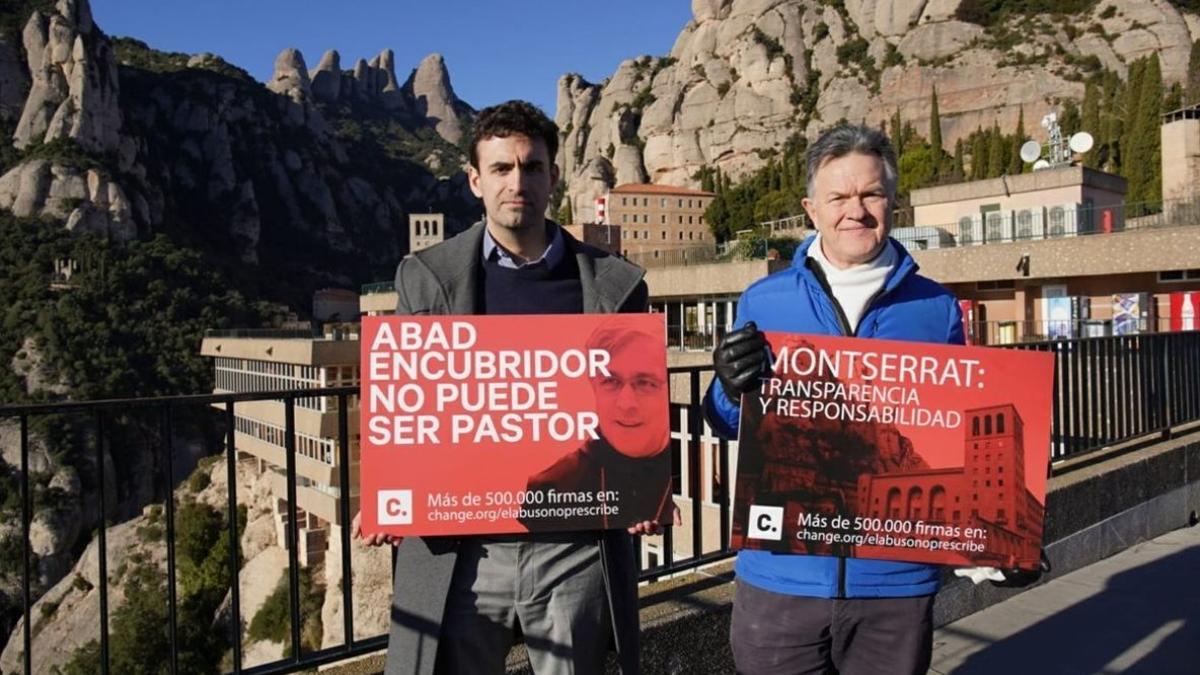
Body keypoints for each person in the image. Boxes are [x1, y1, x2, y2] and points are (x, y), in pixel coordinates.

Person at [703, 123, 1041, 675]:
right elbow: (725, 420)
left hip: (894, 586)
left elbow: (960, 436)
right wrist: (727, 387)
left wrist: (1001, 542)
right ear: (811, 210)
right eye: (838, 197)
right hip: (780, 579)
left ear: (892, 204)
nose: (854, 210)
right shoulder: (762, 299)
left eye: (870, 194)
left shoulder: (937, 308)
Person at [353, 100, 664, 675]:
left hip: (574, 547)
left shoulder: (617, 285)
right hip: (463, 549)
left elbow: (634, 403)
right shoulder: (424, 277)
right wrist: (384, 491)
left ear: (553, 175)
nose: (517, 182)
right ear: (475, 180)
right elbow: (405, 402)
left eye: (531, 167)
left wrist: (644, 489)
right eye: (500, 168)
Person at [522, 319, 673, 531]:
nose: (626, 403)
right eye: (611, 381)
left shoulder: (675, 468)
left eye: (646, 383)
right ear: (593, 387)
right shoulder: (553, 484)